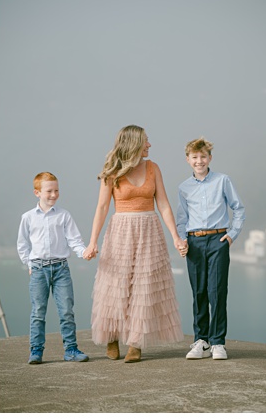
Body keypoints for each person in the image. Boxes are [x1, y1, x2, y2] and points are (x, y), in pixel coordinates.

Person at [84, 125, 185, 363]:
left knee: (144, 285)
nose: (149, 145)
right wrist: (92, 242)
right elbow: (102, 208)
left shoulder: (153, 168)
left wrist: (176, 236)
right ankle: (111, 337)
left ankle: (135, 343)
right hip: (120, 230)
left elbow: (164, 205)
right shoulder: (112, 172)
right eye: (146, 141)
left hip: (150, 230)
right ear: (134, 143)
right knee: (115, 284)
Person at [176, 137, 245, 361]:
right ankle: (201, 341)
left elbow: (238, 208)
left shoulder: (223, 180)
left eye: (203, 156)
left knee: (217, 291)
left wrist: (232, 235)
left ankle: (218, 342)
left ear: (210, 158)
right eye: (195, 157)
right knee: (199, 292)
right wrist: (182, 240)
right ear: (188, 160)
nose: (199, 161)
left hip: (218, 240)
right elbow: (181, 219)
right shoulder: (183, 188)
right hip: (194, 242)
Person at [17, 172, 91, 364]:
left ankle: (71, 350)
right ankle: (36, 351)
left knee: (66, 310)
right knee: (38, 312)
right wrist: (29, 264)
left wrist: (84, 252)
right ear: (37, 192)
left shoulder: (64, 215)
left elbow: (74, 239)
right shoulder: (28, 218)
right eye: (49, 191)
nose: (54, 194)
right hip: (39, 270)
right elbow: (22, 244)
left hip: (61, 270)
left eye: (56, 190)